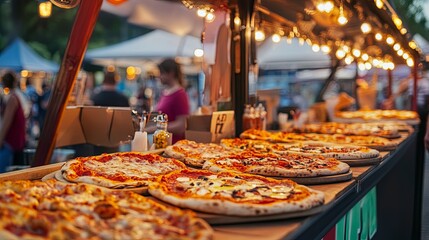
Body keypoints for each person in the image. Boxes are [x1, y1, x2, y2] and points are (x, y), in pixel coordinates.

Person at [149, 59, 190, 143]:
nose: (159, 76)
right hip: (163, 143)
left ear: (171, 73)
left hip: (173, 144)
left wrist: (157, 128)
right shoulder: (165, 92)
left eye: (161, 73)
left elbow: (182, 125)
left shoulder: (179, 94)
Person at [91, 70, 130, 154]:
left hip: (97, 138)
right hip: (115, 139)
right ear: (116, 81)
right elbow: (127, 121)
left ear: (103, 80)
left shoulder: (95, 98)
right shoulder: (123, 98)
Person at [0, 71, 26, 172]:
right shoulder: (17, 96)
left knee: (3, 174)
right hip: (15, 141)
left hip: (11, 142)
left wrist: (0, 141)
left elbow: (7, 122)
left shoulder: (12, 99)